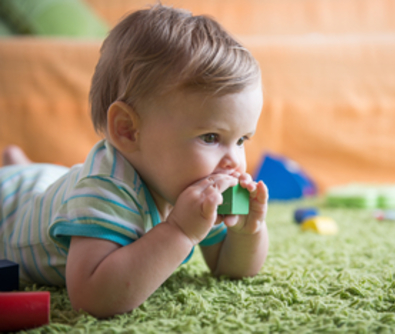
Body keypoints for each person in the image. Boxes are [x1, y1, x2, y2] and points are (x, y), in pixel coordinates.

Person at [0, 4, 268, 318]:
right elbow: (91, 297)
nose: (234, 162)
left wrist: (247, 233)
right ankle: (15, 168)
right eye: (210, 137)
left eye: (241, 140)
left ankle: (19, 163)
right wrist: (179, 231)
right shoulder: (104, 191)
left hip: (53, 181)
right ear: (128, 130)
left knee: (51, 180)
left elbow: (228, 268)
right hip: (10, 205)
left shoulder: (185, 186)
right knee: (33, 188)